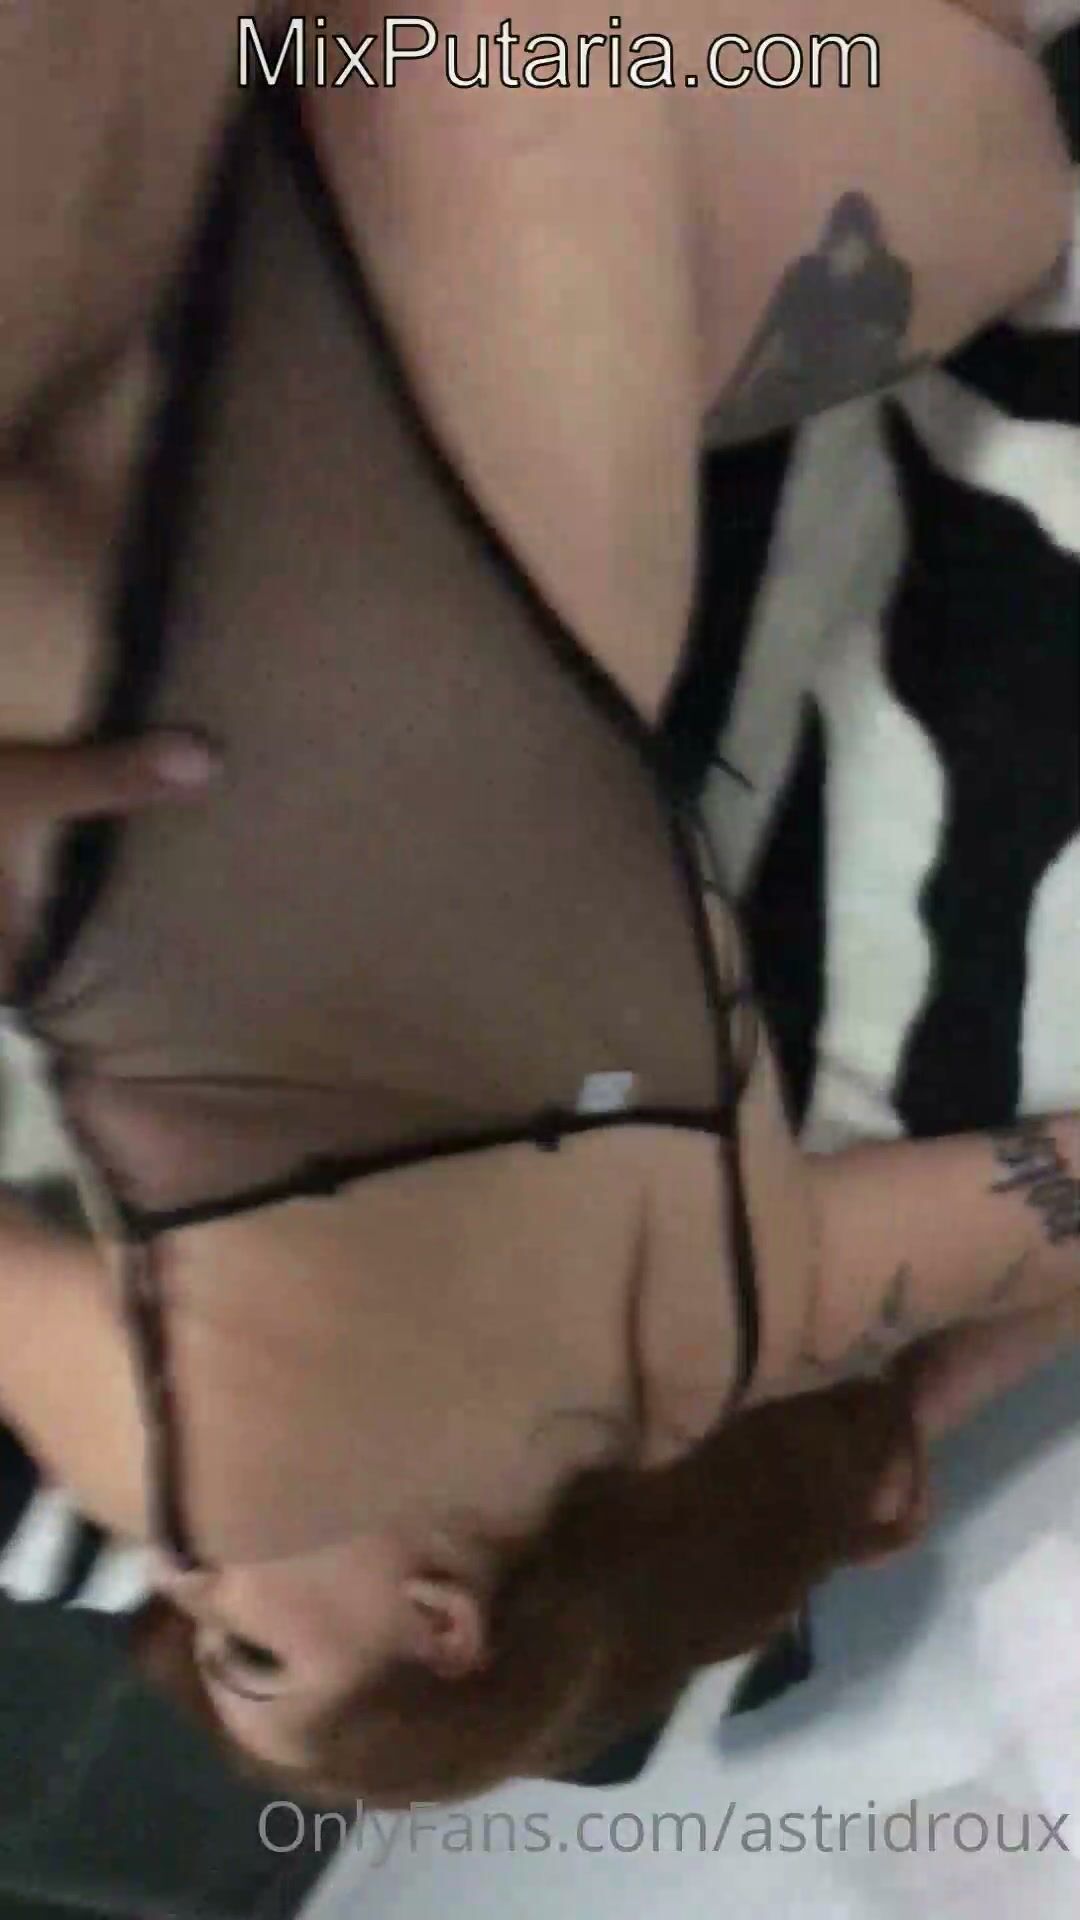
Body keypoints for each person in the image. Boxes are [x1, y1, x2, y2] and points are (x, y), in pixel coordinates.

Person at [1, 0, 1076, 1809]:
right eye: (251, 1652)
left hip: (496, 523)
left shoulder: (736, 1318)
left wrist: (882, 1448)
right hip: (228, 671)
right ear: (442, 1622)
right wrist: (850, 1477)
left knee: (969, 165)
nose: (179, 1585)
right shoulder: (226, 1463)